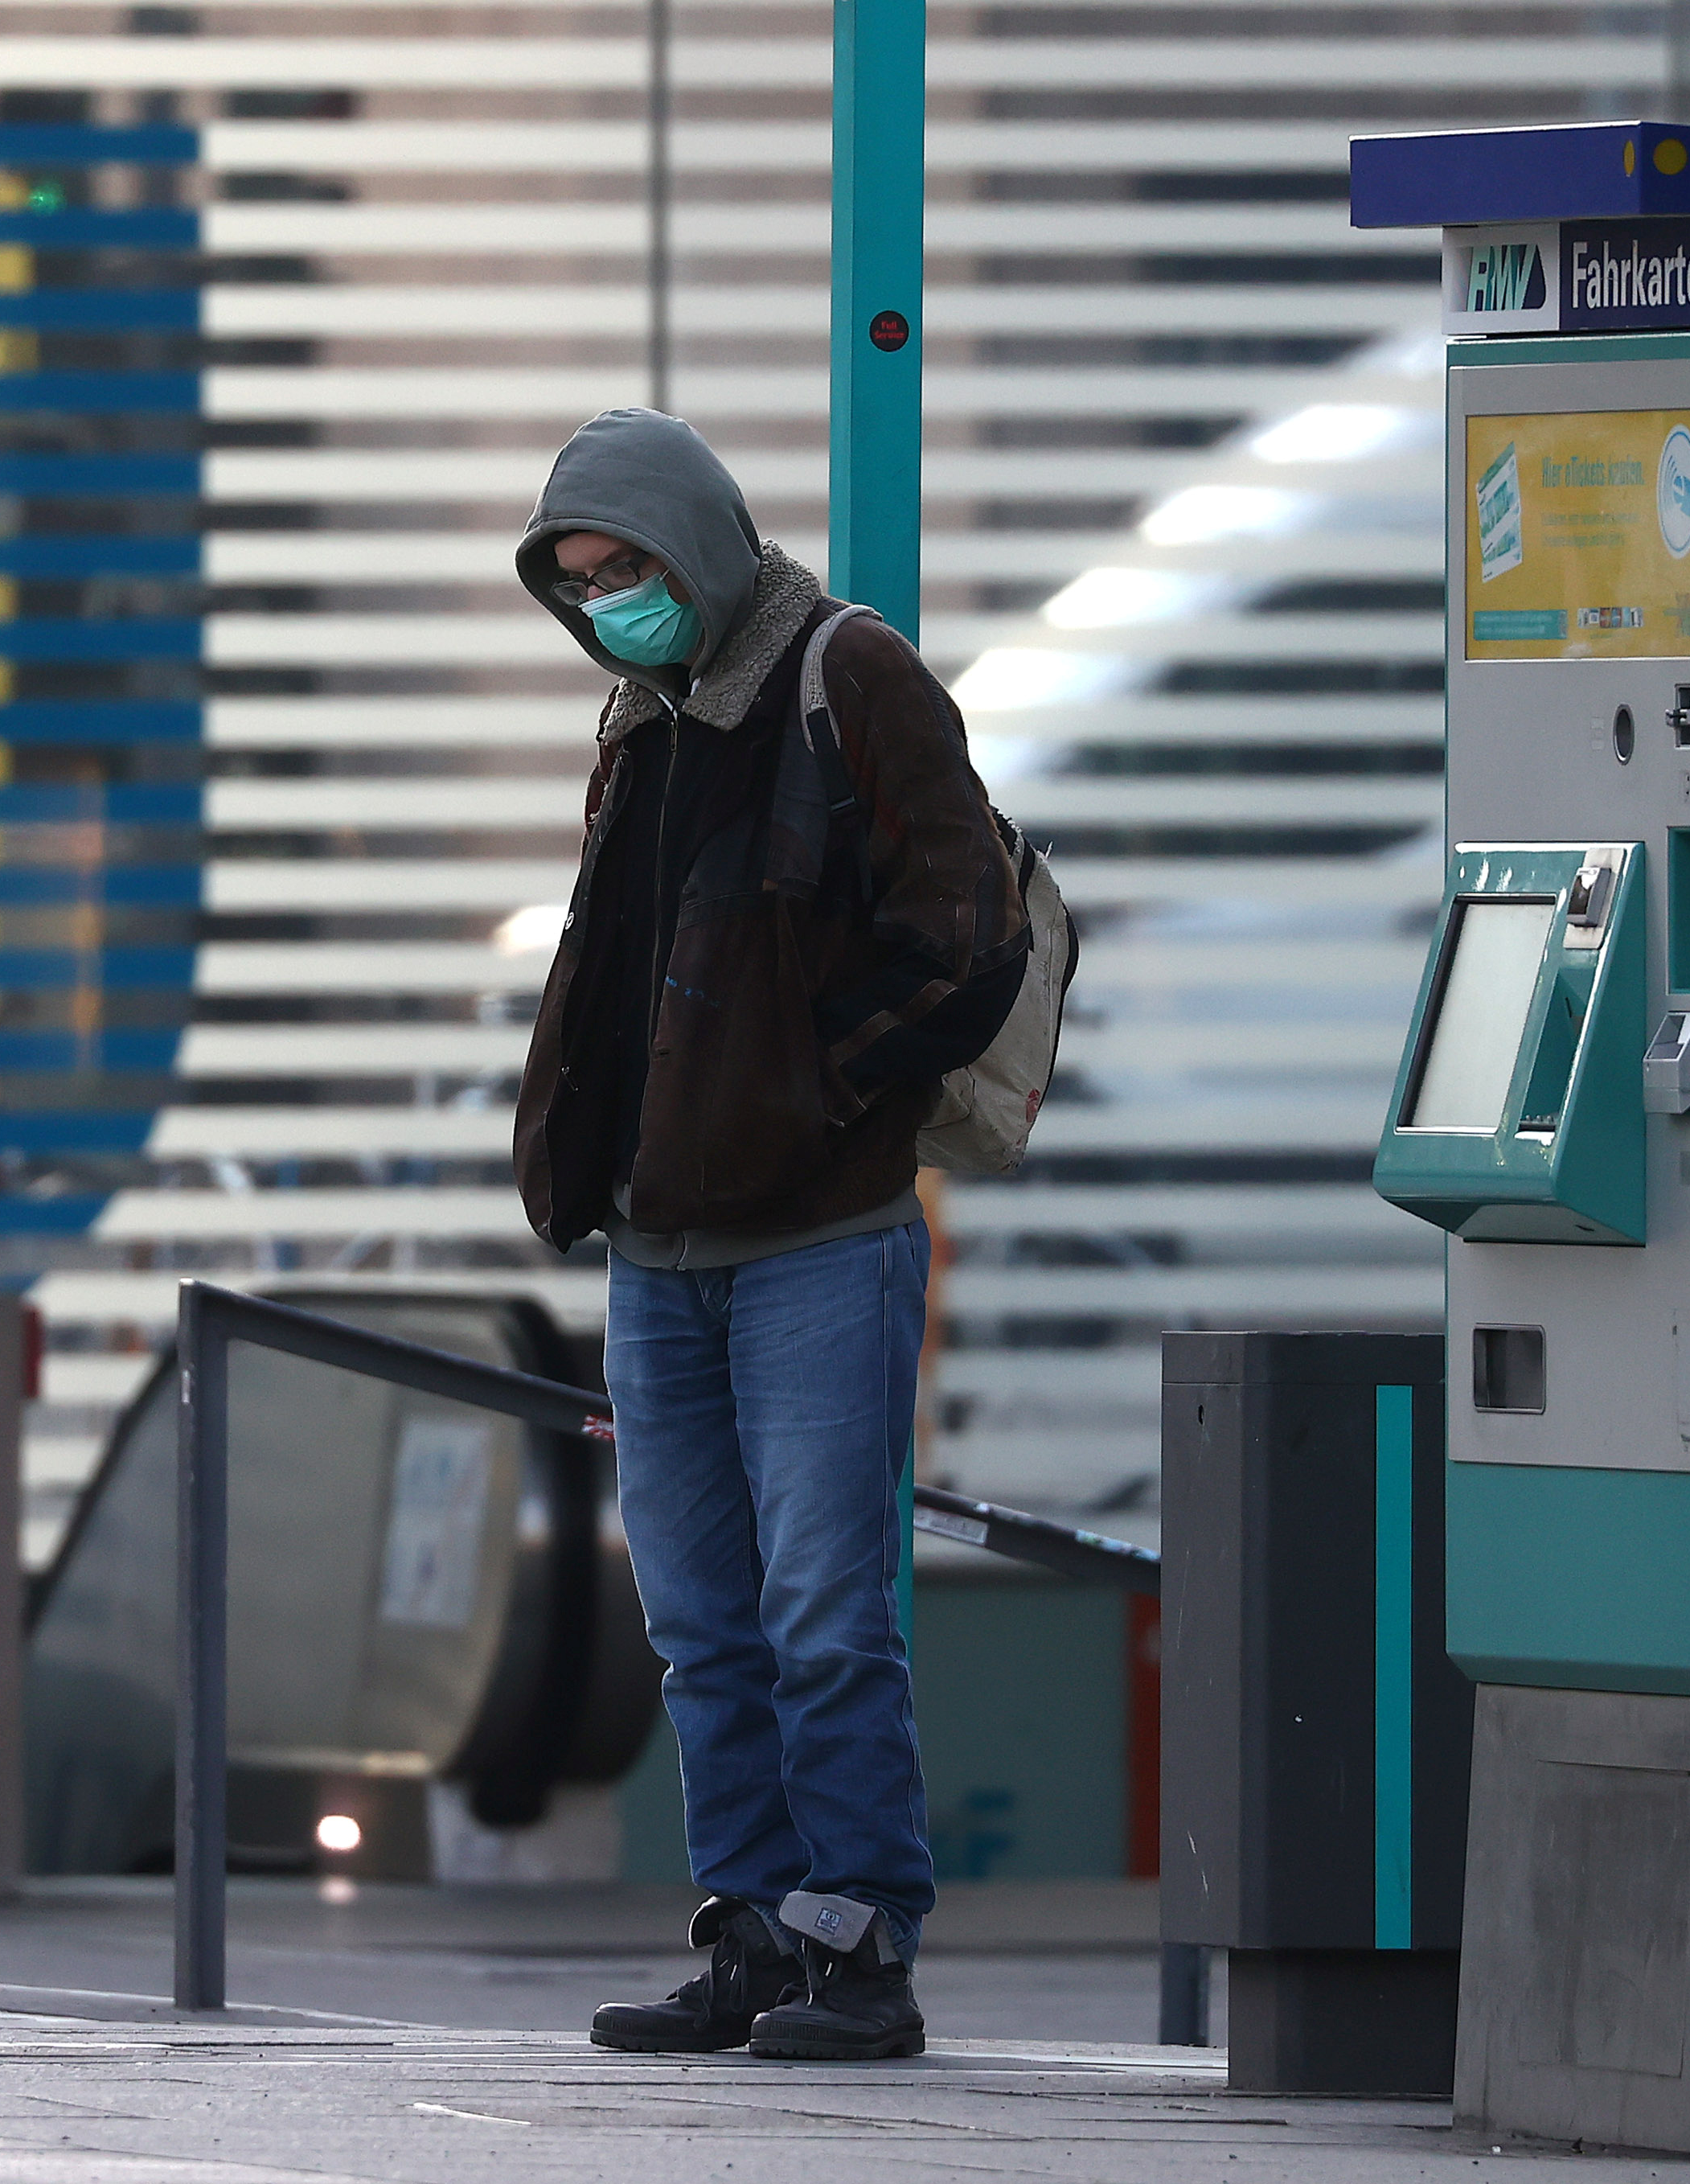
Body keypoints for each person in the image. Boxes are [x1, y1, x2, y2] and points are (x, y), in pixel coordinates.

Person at [511, 409, 1027, 2061]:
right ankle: (743, 1925)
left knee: (822, 1605)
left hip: (818, 1234)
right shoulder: (641, 716)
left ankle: (857, 1939)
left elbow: (967, 935)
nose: (607, 604)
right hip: (655, 1248)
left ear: (699, 545)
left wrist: (823, 1093)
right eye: (579, 583)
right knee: (700, 1616)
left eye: (627, 569)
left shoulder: (843, 673)